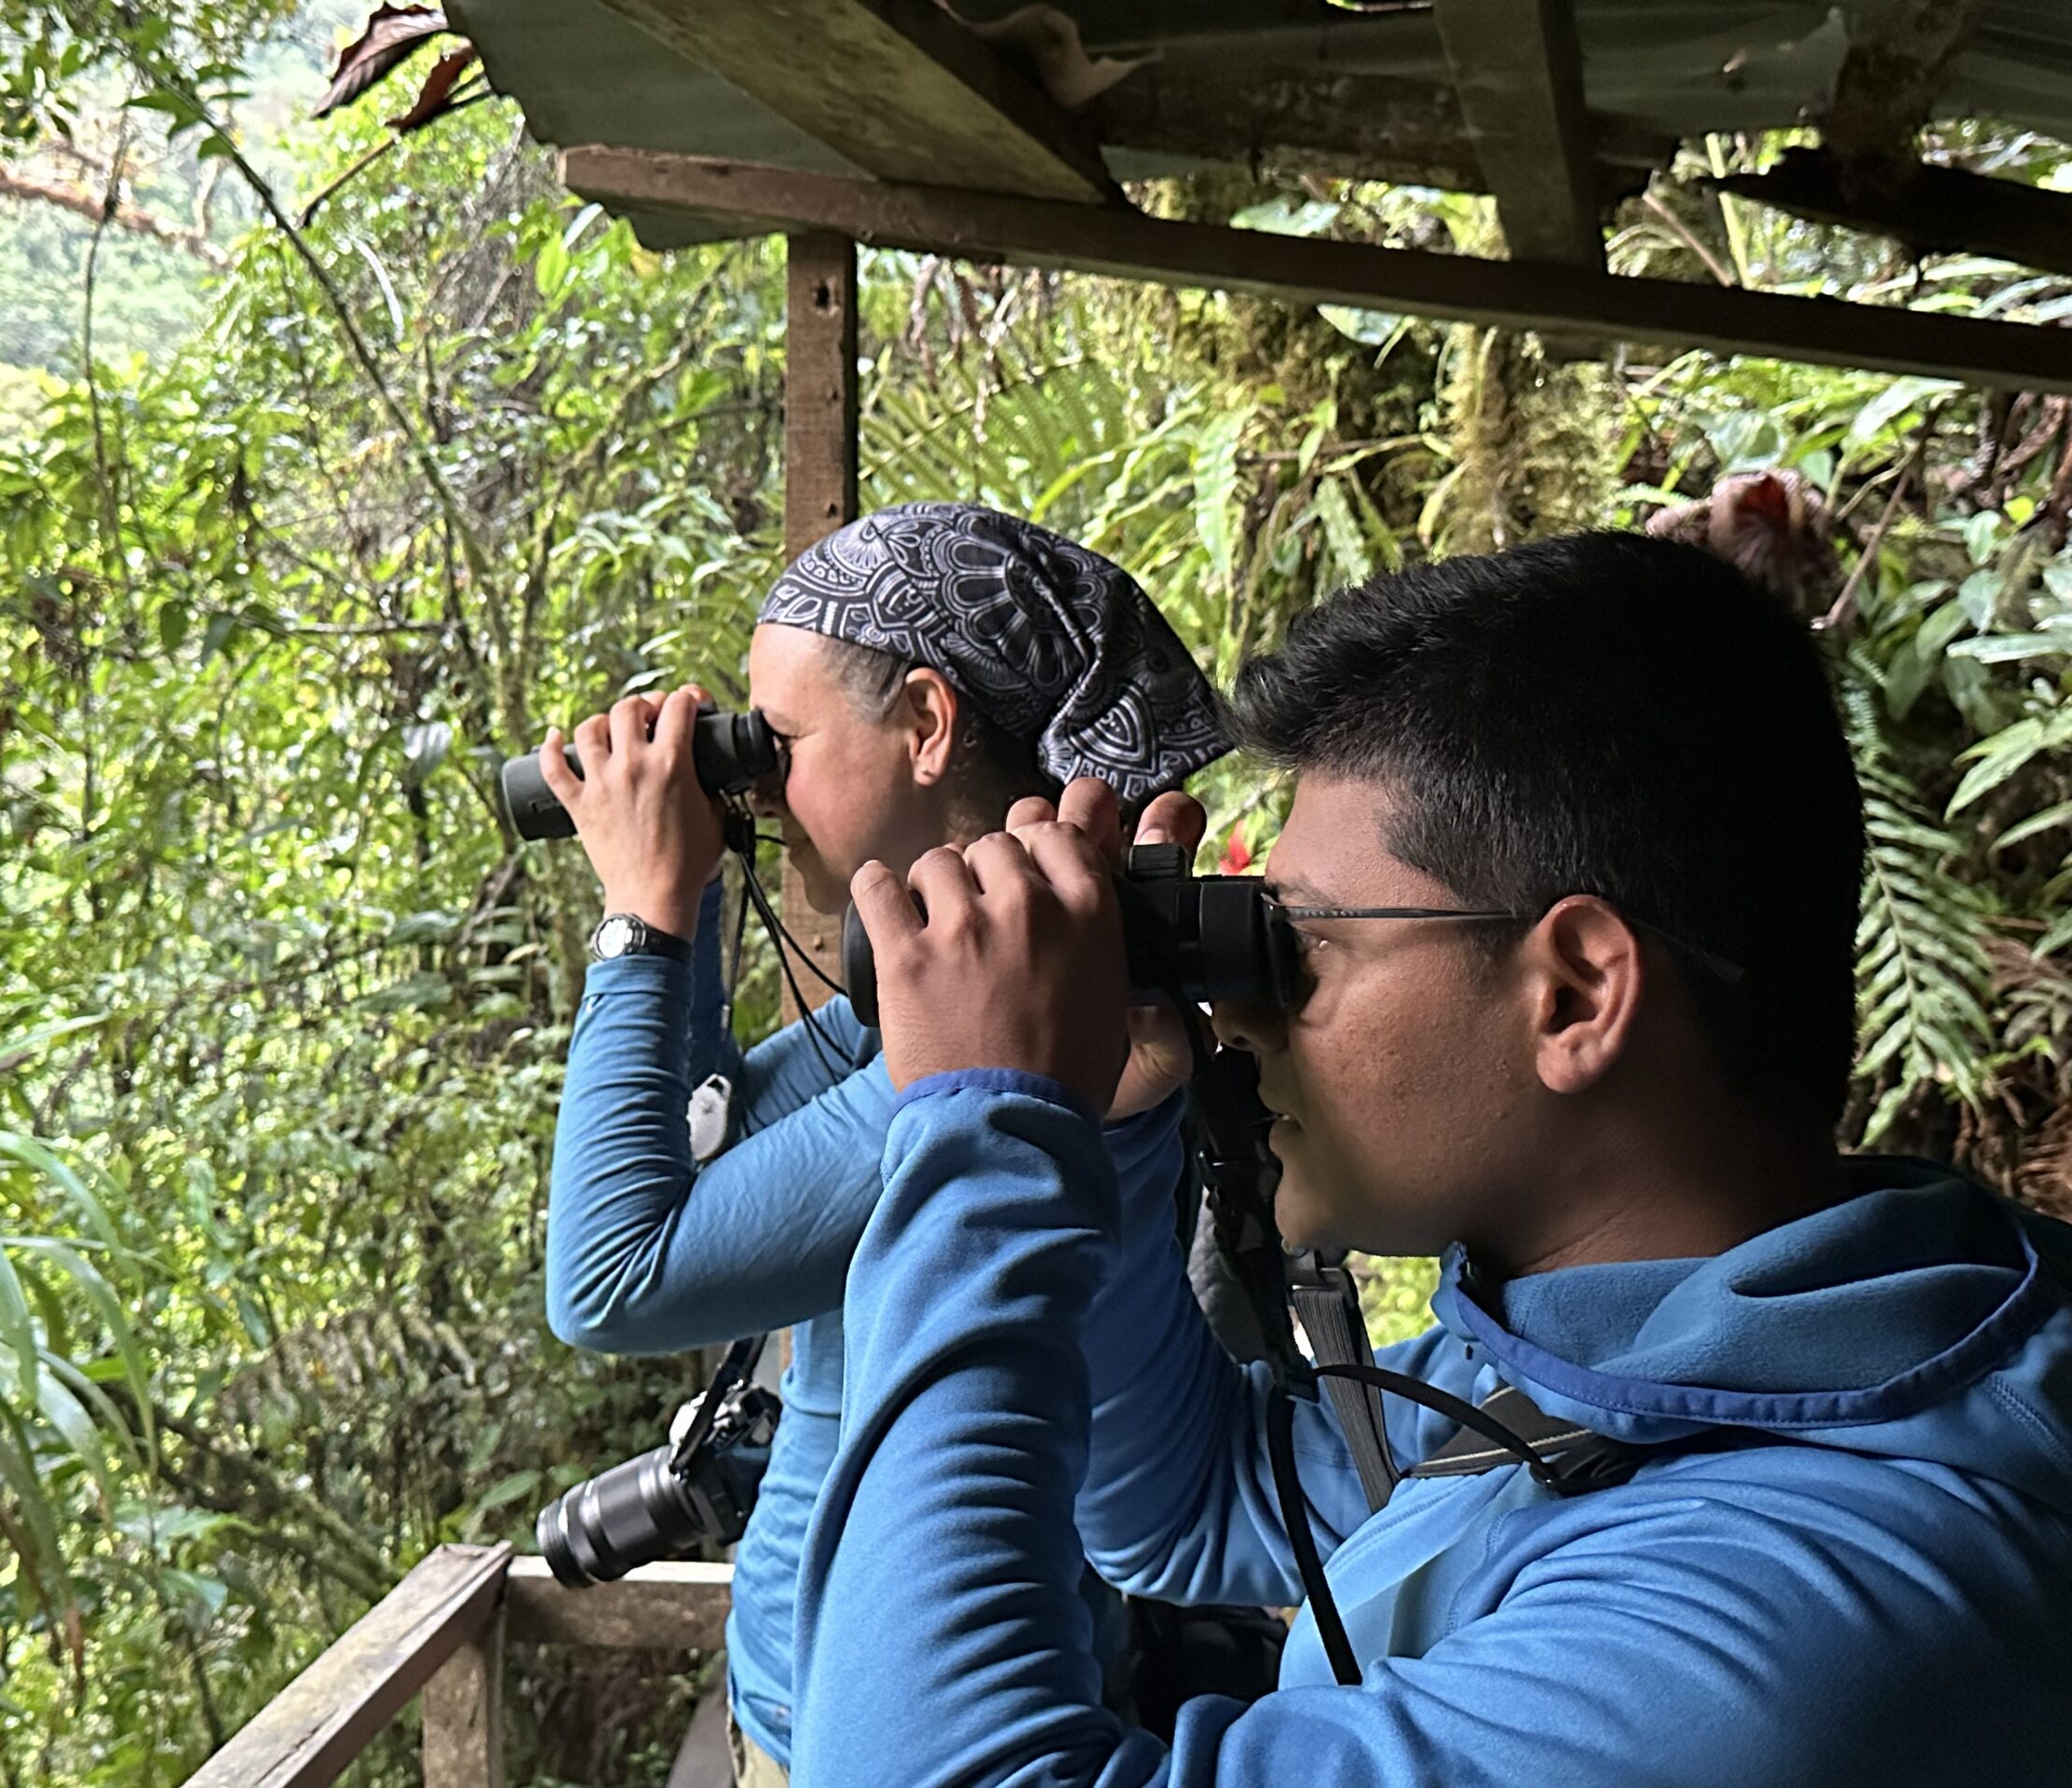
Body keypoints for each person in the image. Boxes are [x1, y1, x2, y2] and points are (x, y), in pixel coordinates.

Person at [800, 531, 2072, 1787]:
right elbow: (1192, 1500)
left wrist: (987, 1130)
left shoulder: (1789, 1616)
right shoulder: (1675, 1334)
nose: (1236, 1014)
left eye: (1298, 951)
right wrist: (1120, 1126)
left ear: (1572, 995)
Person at [534, 502, 1229, 1784]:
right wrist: (680, 894)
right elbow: (699, 1149)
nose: (754, 781)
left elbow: (614, 1275)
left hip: (890, 1738)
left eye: (778, 741)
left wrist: (639, 917)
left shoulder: (1006, 1040)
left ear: (925, 723)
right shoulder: (921, 1002)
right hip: (809, 1698)